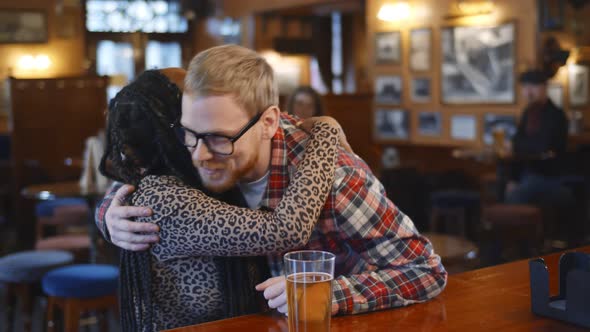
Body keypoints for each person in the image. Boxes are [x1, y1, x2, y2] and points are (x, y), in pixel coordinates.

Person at [99, 45, 447, 317]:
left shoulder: (335, 175)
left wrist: (330, 292)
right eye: (189, 133)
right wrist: (107, 216)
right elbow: (145, 180)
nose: (199, 155)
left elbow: (425, 271)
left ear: (268, 123)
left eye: (220, 138)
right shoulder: (195, 152)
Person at [98, 68, 347, 331]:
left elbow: (248, 122)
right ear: (175, 130)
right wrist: (324, 130)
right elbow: (287, 229)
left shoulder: (182, 172)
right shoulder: (165, 199)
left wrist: (104, 214)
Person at [504, 69, 572, 208]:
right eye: (524, 87)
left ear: (544, 88)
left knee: (517, 194)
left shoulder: (556, 115)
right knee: (503, 184)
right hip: (528, 173)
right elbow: (518, 142)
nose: (528, 92)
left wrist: (518, 145)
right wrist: (513, 179)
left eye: (533, 87)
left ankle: (524, 229)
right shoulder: (528, 113)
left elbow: (543, 146)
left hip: (550, 176)